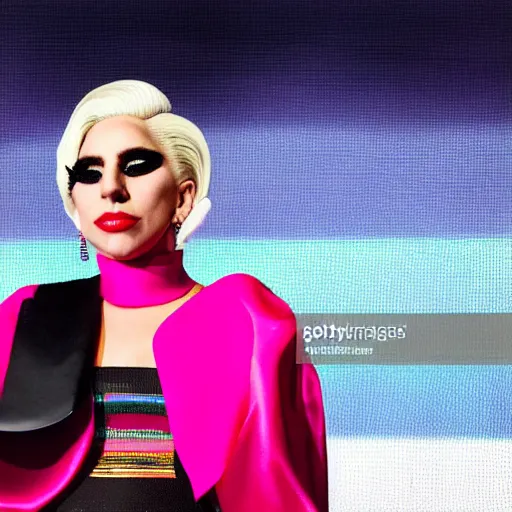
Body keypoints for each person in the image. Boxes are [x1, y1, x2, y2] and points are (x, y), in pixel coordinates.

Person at [0, 80, 328, 511]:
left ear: (184, 198)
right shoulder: (24, 316)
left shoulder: (249, 321)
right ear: (75, 204)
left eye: (136, 165)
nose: (110, 188)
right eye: (89, 173)